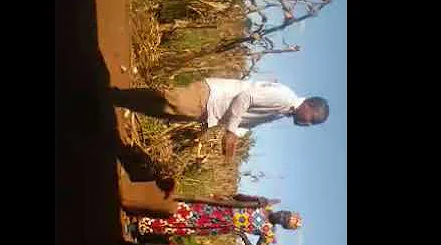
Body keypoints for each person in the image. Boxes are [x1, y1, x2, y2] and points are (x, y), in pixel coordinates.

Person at [111, 78, 329, 162]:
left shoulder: (283, 111)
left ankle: (118, 98)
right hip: (211, 96)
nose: (307, 124)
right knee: (166, 100)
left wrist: (232, 141)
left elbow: (248, 119)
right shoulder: (285, 97)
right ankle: (115, 95)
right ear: (309, 105)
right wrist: (231, 131)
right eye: (311, 119)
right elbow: (247, 96)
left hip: (210, 111)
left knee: (161, 109)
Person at [134, 193, 302, 245]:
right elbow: (240, 197)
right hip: (220, 208)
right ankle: (145, 211)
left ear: (284, 226)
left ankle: (144, 225)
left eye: (286, 220)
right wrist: (258, 199)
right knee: (183, 209)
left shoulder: (268, 233)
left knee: (185, 225)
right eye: (286, 214)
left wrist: (243, 236)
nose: (283, 216)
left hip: (222, 225)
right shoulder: (265, 205)